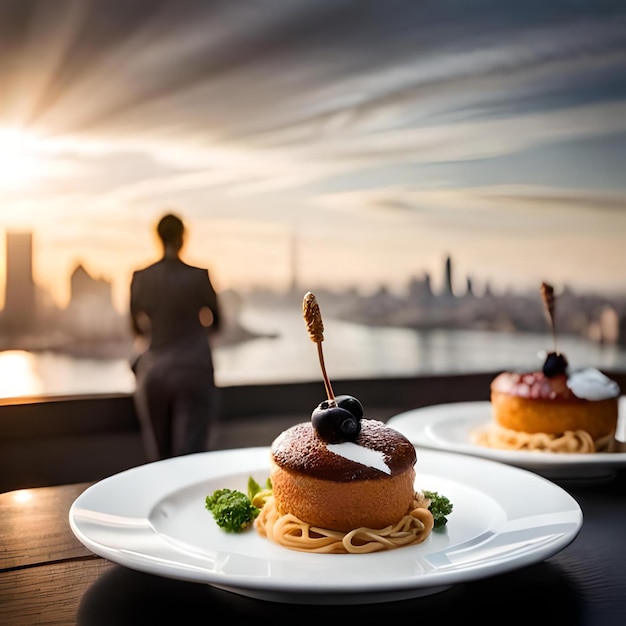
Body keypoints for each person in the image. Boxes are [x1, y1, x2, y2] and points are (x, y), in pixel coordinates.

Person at [130, 212, 222, 461]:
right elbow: (217, 322)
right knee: (191, 459)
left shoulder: (141, 278)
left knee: (160, 460)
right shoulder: (199, 276)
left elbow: (136, 329)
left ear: (158, 238)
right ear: (183, 238)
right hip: (194, 370)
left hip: (155, 373)